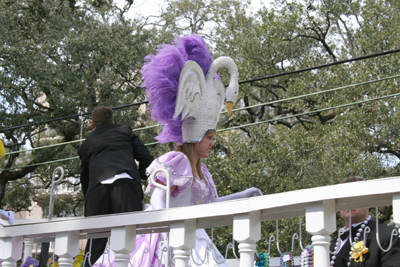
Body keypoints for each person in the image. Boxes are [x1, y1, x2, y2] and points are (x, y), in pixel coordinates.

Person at [94, 34, 262, 267]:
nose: (213, 143)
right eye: (209, 137)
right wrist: (175, 231)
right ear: (195, 139)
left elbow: (212, 205)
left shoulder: (203, 173)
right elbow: (159, 204)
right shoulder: (175, 162)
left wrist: (245, 195)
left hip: (193, 239)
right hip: (170, 243)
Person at [77, 106, 154, 267]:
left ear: (93, 125)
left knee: (95, 244)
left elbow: (84, 177)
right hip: (125, 185)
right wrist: (138, 178)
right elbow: (146, 159)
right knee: (131, 240)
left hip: (98, 190)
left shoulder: (87, 143)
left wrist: (89, 200)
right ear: (113, 121)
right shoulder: (124, 130)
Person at [329, 176, 400, 267]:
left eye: (355, 197)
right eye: (344, 198)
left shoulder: (386, 235)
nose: (348, 202)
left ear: (369, 203)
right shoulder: (330, 244)